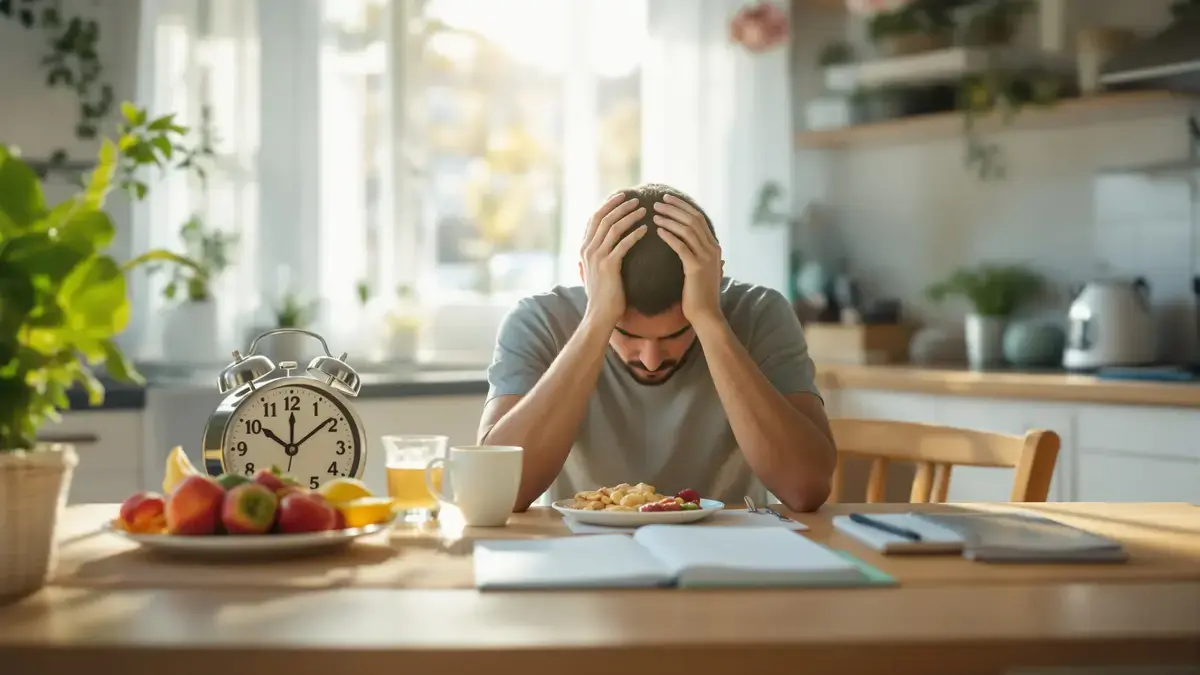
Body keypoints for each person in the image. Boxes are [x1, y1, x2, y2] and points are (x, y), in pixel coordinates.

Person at [478, 183, 836, 512]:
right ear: (587, 280)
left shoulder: (761, 315)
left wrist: (709, 320)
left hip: (725, 559)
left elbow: (805, 488)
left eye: (676, 333)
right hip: (582, 555)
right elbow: (495, 489)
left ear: (713, 281)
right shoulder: (539, 321)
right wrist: (597, 321)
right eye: (627, 334)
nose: (650, 361)